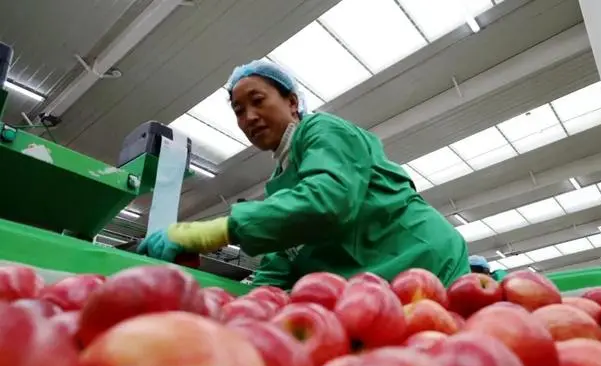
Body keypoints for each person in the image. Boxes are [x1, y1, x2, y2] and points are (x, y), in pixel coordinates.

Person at [138, 59, 469, 288]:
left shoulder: (323, 131)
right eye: (239, 111)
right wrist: (252, 304)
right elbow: (281, 262)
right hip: (380, 287)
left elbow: (327, 200)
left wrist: (213, 231)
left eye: (258, 101)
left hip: (428, 264)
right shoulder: (281, 184)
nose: (249, 117)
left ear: (293, 102)